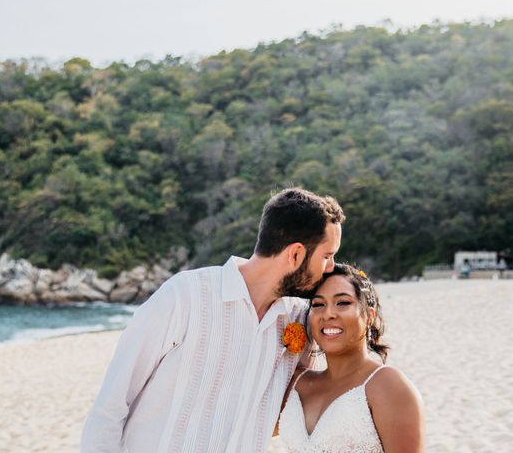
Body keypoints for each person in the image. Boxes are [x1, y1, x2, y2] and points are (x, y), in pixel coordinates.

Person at [80, 187, 345, 452]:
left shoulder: (302, 318)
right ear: (295, 254)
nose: (331, 268)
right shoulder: (184, 296)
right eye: (327, 256)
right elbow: (110, 407)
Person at [278, 264, 424, 452]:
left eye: (343, 303)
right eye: (318, 305)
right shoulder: (296, 383)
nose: (328, 314)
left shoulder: (388, 386)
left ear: (369, 316)